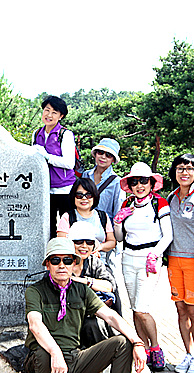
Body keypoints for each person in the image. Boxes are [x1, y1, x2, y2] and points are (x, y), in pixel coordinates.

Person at [23, 237, 146, 373]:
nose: (61, 265)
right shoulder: (35, 291)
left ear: (74, 263)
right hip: (42, 365)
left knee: (123, 343)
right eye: (55, 260)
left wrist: (138, 342)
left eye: (67, 260)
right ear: (47, 264)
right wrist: (55, 353)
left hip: (74, 361)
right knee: (42, 352)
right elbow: (35, 325)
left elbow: (110, 316)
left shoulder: (81, 290)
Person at [114, 162, 172, 373]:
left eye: (144, 181)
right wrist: (118, 222)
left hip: (150, 259)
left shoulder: (159, 203)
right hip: (128, 258)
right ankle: (143, 348)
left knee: (142, 308)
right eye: (134, 182)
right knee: (134, 309)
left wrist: (155, 254)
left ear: (151, 183)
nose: (139, 185)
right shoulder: (127, 204)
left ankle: (155, 347)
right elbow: (120, 237)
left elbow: (168, 235)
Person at [166, 153, 194, 373]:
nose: (184, 172)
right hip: (173, 260)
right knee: (181, 309)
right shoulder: (171, 197)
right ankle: (188, 353)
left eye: (190, 168)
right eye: (180, 168)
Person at [67, 221, 117, 349]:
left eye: (89, 242)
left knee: (96, 325)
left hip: (92, 315)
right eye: (79, 241)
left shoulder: (94, 262)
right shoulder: (61, 261)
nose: (84, 246)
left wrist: (85, 281)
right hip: (66, 316)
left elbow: (110, 285)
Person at [32, 96, 76, 238]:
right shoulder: (36, 134)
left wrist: (47, 156)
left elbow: (69, 163)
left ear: (61, 116)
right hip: (44, 189)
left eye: (54, 112)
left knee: (66, 229)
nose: (49, 115)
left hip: (65, 189)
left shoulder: (65, 134)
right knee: (46, 229)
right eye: (47, 110)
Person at [82, 138, 125, 268]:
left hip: (104, 233)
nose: (103, 157)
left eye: (108, 155)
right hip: (83, 229)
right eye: (100, 152)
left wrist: (113, 238)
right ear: (95, 154)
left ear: (113, 159)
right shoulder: (85, 175)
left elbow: (118, 212)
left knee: (103, 269)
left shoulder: (117, 182)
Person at [56, 178, 116, 267]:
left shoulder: (103, 216)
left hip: (100, 264)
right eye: (79, 195)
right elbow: (62, 244)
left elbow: (112, 242)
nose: (84, 198)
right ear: (73, 197)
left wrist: (99, 247)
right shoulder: (67, 217)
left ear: (94, 196)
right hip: (75, 266)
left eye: (88, 195)